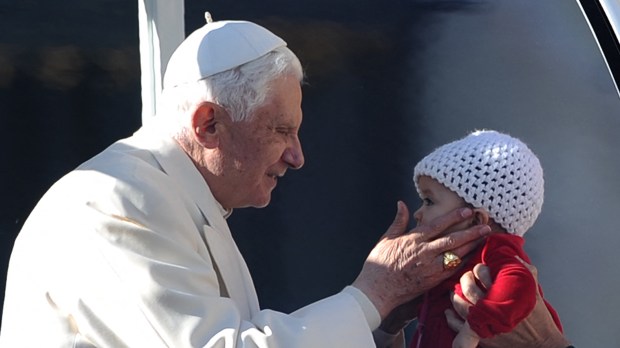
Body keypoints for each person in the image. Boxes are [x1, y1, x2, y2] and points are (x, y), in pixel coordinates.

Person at [0, 14, 571, 347]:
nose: (297, 157)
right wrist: (372, 295)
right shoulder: (115, 200)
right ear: (208, 124)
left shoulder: (175, 200)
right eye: (280, 131)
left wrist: (383, 310)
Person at [408, 130, 564, 348]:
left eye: (429, 201)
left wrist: (472, 332)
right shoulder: (458, 257)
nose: (418, 213)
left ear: (477, 220)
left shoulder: (495, 253)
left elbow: (519, 283)